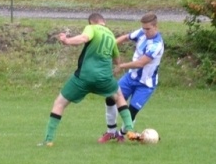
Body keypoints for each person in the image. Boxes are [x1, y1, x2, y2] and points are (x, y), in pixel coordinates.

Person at [40, 13, 138, 146]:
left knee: (60, 103)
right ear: (104, 21)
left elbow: (83, 38)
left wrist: (67, 40)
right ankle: (130, 130)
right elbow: (117, 59)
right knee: (119, 97)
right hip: (104, 78)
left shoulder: (91, 28)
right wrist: (117, 68)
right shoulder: (110, 35)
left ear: (91, 22)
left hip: (84, 77)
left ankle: (48, 140)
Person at [98, 12, 165, 143]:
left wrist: (121, 66)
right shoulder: (141, 32)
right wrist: (109, 46)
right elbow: (125, 37)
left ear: (156, 27)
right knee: (110, 98)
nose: (145, 31)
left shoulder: (156, 45)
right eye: (143, 28)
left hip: (146, 84)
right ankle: (110, 132)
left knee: (131, 111)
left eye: (148, 29)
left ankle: (120, 134)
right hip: (130, 78)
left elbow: (140, 63)